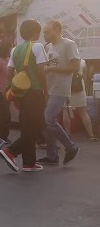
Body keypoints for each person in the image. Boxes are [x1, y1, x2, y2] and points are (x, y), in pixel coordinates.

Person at [0, 20, 48, 172]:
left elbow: (9, 74)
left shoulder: (15, 50)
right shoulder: (37, 46)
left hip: (21, 93)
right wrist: (46, 90)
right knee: (35, 128)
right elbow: (41, 71)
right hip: (35, 92)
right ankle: (10, 151)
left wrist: (12, 94)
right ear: (36, 32)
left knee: (27, 127)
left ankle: (29, 163)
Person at [38, 19, 80, 166]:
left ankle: (71, 147)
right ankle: (52, 155)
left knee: (49, 118)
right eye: (44, 32)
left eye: (47, 32)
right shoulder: (48, 46)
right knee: (47, 120)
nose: (44, 34)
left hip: (60, 88)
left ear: (57, 29)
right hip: (49, 88)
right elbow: (48, 66)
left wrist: (52, 69)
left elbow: (75, 67)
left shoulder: (69, 44)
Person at [62, 58, 97, 141]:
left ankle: (68, 134)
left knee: (66, 111)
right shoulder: (82, 62)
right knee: (83, 112)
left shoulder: (64, 61)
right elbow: (84, 78)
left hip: (66, 88)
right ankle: (91, 135)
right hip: (79, 89)